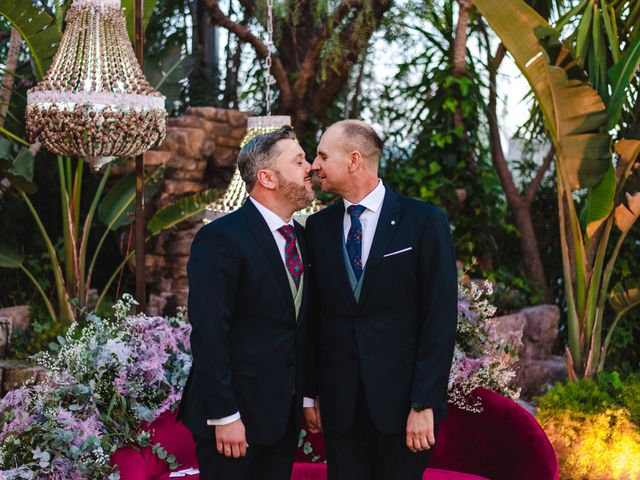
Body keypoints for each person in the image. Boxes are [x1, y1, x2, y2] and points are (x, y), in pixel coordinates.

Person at [303, 119, 458, 480]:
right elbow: (313, 318)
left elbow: (440, 320)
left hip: (403, 407)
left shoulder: (423, 221)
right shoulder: (318, 228)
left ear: (354, 160)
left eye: (323, 155)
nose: (314, 165)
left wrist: (423, 404)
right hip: (341, 409)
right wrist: (310, 394)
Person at [178, 125, 315, 480]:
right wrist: (224, 416)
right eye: (299, 161)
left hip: (283, 417)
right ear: (267, 177)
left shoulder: (302, 237)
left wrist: (307, 397)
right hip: (233, 419)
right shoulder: (220, 238)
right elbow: (209, 333)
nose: (310, 167)